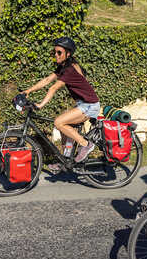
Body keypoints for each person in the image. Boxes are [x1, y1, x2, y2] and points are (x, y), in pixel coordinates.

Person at [21, 36, 100, 172]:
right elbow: (47, 80)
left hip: (89, 105)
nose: (56, 55)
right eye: (55, 52)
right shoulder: (64, 67)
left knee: (58, 122)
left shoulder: (70, 70)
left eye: (59, 53)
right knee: (63, 126)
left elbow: (53, 88)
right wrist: (28, 91)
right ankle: (66, 160)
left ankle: (86, 144)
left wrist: (40, 105)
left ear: (68, 54)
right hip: (82, 104)